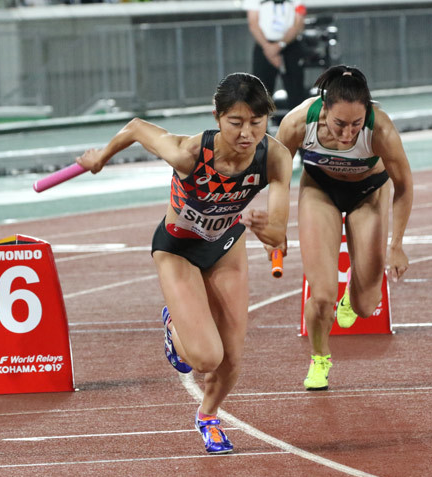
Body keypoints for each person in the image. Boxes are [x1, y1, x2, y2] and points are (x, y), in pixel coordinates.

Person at [77, 73, 291, 454]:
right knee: (206, 358)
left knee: (232, 357)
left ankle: (208, 417)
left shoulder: (274, 157)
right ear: (217, 117)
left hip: (225, 245)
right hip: (178, 248)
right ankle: (173, 325)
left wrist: (264, 229)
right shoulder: (189, 153)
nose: (246, 134)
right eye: (235, 123)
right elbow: (137, 128)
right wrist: (101, 157)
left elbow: (279, 239)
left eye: (257, 123)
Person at [275, 65, 413, 391]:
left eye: (356, 124)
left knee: (366, 306)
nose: (348, 133)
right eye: (340, 124)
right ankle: (320, 358)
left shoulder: (382, 130)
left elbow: (404, 186)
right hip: (319, 191)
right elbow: (277, 178)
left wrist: (397, 244)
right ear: (324, 110)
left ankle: (351, 296)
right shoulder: (297, 122)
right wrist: (276, 226)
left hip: (370, 193)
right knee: (321, 296)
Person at [245, 0, 307, 110]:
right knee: (260, 95)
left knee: (296, 93)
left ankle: (298, 125)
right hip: (264, 47)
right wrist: (268, 49)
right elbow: (253, 23)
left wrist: (280, 45)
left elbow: (299, 22)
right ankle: (260, 126)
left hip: (290, 46)